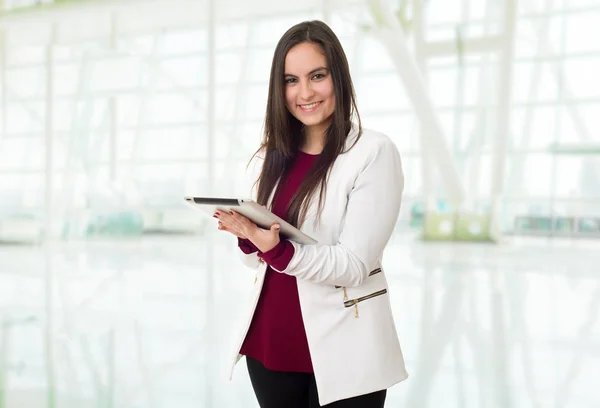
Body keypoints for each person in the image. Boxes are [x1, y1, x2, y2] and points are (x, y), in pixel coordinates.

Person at [215, 20, 408, 408]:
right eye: (290, 80)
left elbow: (354, 264)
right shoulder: (274, 155)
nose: (304, 93)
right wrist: (248, 236)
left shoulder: (373, 152)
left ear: (338, 77)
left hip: (345, 350)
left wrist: (278, 251)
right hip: (271, 346)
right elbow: (257, 263)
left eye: (317, 76)